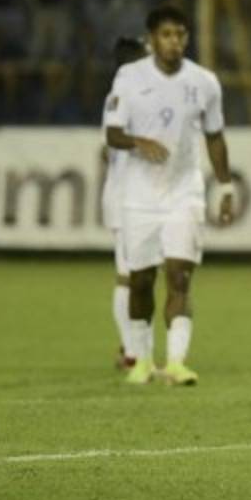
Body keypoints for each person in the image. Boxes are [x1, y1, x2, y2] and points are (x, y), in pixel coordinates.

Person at [104, 5, 235, 386]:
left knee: (180, 277)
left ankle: (176, 362)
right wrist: (137, 140)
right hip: (139, 196)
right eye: (166, 35)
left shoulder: (205, 82)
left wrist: (225, 186)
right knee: (140, 281)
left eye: (180, 34)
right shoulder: (128, 77)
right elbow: (112, 134)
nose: (174, 42)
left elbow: (215, 136)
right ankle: (142, 360)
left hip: (184, 193)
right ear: (151, 39)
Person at [102, 35, 149, 370]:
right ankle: (131, 352)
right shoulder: (125, 97)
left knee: (140, 276)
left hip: (139, 195)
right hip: (127, 198)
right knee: (128, 276)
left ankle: (131, 346)